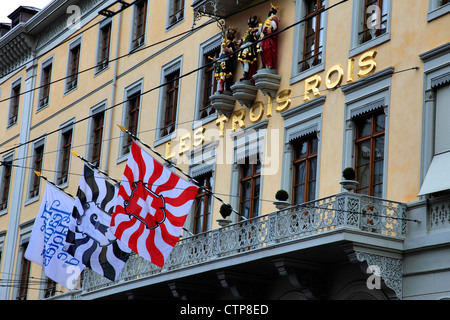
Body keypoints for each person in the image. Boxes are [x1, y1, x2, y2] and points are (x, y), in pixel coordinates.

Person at [214, 27, 239, 93]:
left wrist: (229, 50)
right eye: (229, 34)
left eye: (231, 34)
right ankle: (221, 87)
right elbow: (222, 53)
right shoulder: (225, 43)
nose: (230, 35)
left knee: (226, 75)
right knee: (222, 75)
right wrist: (217, 59)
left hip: (227, 61)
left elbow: (233, 51)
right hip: (222, 60)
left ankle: (224, 87)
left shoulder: (231, 44)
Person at [237, 16, 260, 82]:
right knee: (242, 62)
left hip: (248, 47)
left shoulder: (253, 30)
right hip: (243, 47)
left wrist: (258, 29)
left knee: (246, 61)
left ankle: (246, 75)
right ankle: (244, 73)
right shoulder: (247, 32)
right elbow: (242, 39)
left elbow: (256, 36)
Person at [259, 3, 280, 70]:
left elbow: (274, 23)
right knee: (261, 50)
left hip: (269, 38)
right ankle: (264, 65)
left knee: (267, 50)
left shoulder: (274, 17)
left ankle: (269, 64)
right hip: (264, 37)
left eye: (270, 9)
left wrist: (270, 28)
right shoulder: (268, 19)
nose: (269, 10)